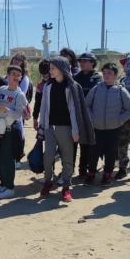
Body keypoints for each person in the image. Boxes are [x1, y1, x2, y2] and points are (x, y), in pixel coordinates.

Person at [36, 57, 94, 202]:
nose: (50, 71)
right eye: (50, 68)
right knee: (48, 157)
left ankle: (66, 188)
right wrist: (42, 126)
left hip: (66, 128)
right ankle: (48, 181)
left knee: (67, 158)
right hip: (50, 127)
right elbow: (44, 108)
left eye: (53, 68)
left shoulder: (72, 86)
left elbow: (75, 110)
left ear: (61, 69)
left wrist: (75, 130)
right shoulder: (48, 86)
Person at [84, 63, 130, 184]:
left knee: (111, 153)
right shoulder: (96, 89)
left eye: (109, 73)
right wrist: (93, 118)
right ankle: (91, 173)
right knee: (94, 152)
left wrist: (119, 120)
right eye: (104, 73)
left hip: (114, 129)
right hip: (97, 128)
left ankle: (107, 175)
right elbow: (86, 106)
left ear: (116, 75)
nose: (106, 76)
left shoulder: (121, 90)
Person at [0, 65, 28, 199]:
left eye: (19, 74)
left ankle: (10, 187)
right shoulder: (1, 89)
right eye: (13, 74)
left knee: (7, 158)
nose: (16, 77)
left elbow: (21, 114)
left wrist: (7, 111)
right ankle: (3, 183)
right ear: (8, 76)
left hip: (10, 129)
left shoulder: (20, 95)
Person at [73, 52, 102, 180]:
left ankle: (92, 169)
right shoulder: (76, 77)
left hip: (94, 116)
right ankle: (82, 170)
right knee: (82, 144)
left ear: (92, 62)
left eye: (85, 61)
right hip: (79, 115)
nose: (82, 63)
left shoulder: (98, 77)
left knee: (93, 144)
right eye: (81, 61)